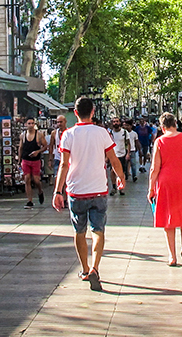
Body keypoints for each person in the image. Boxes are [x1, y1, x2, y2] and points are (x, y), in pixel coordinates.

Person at [53, 97, 127, 291]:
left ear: (75, 113)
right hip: (99, 189)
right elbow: (113, 158)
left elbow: (64, 164)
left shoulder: (68, 135)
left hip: (76, 191)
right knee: (98, 230)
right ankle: (95, 267)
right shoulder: (102, 132)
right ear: (93, 112)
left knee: (79, 231)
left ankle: (85, 269)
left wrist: (57, 191)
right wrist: (121, 177)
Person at [148, 112, 182, 266]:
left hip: (166, 183)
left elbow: (154, 168)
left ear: (162, 127)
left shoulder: (159, 142)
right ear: (175, 124)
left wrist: (151, 188)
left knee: (168, 218)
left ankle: (172, 256)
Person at [19, 117, 48, 208]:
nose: (31, 125)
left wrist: (38, 152)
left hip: (35, 161)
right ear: (26, 125)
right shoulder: (23, 135)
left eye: (32, 123)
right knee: (27, 179)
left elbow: (45, 146)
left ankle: (40, 191)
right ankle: (29, 201)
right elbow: (21, 148)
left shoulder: (39, 135)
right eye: (29, 123)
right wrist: (19, 159)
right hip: (25, 160)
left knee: (36, 180)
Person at [106, 117, 129, 195]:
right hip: (113, 155)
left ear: (120, 122)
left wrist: (128, 153)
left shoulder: (125, 132)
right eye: (114, 122)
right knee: (113, 171)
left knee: (121, 172)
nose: (115, 123)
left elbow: (128, 143)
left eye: (117, 121)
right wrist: (107, 156)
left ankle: (121, 187)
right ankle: (114, 187)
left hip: (122, 154)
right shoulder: (110, 133)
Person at [50, 115, 69, 181]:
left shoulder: (69, 133)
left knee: (66, 179)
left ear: (65, 122)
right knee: (57, 178)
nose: (59, 124)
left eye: (61, 122)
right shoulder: (54, 133)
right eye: (58, 122)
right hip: (57, 158)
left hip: (67, 159)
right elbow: (51, 146)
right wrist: (50, 159)